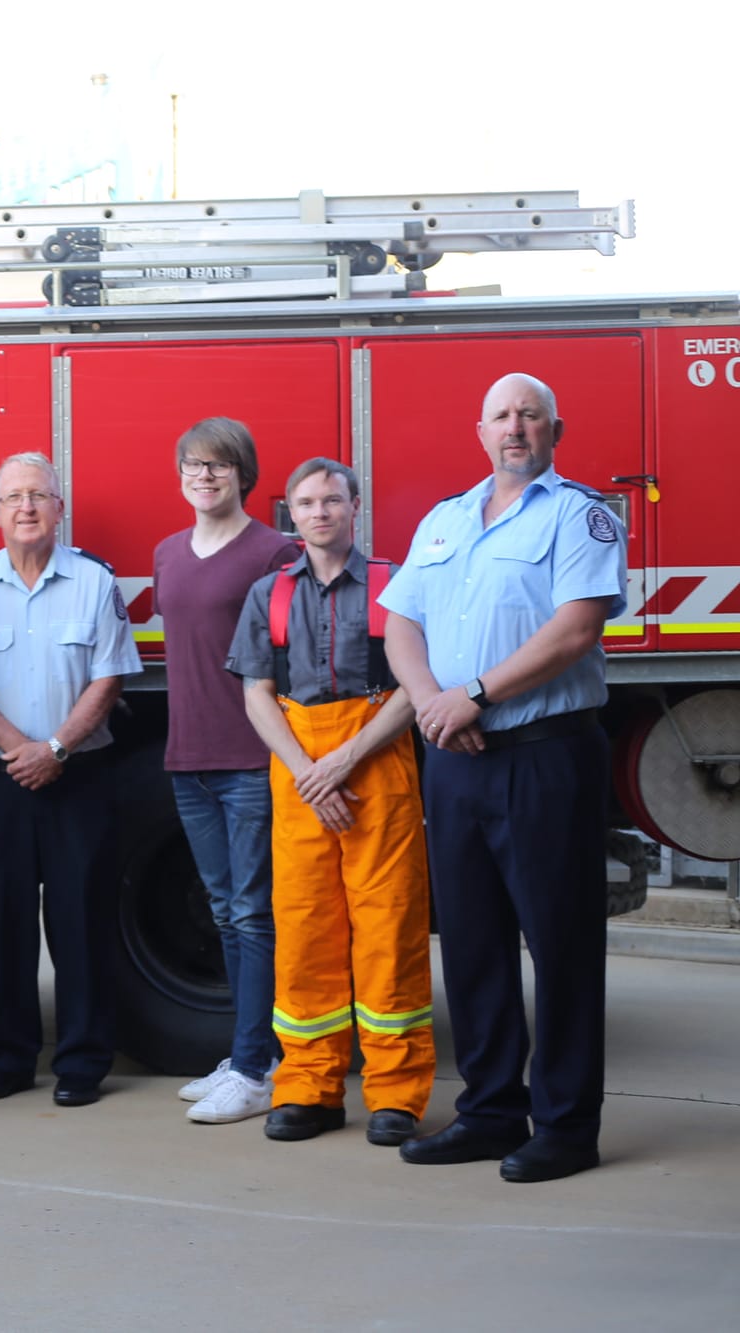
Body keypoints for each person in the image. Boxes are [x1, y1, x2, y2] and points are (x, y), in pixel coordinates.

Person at [381, 373, 627, 1183]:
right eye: (501, 415)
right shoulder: (445, 520)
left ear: (556, 427)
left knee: (559, 945)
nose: (514, 427)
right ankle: (490, 1111)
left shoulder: (578, 514)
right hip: (456, 756)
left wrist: (475, 694)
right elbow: (402, 622)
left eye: (529, 414)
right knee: (475, 943)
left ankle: (564, 1125)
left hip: (542, 754)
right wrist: (430, 704)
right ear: (479, 429)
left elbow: (575, 628)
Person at [226, 458, 432, 1146]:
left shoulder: (392, 585)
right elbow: (256, 691)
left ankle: (396, 1095)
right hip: (298, 768)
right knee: (306, 928)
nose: (319, 512)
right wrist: (307, 768)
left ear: (355, 505)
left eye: (332, 500)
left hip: (374, 765)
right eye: (307, 502)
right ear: (291, 511)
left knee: (389, 928)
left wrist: (344, 759)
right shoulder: (269, 594)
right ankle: (308, 1087)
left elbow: (414, 687)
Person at [0, 453, 141, 1109]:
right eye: (14, 497)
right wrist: (21, 751)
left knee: (81, 922)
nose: (27, 507)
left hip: (80, 776)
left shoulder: (93, 580)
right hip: (2, 780)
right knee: (4, 925)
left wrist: (56, 747)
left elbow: (111, 674)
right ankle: (8, 1058)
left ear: (59, 508)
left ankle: (84, 1061)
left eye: (39, 495)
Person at [152, 417, 299, 1125]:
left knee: (251, 911)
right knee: (223, 911)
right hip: (189, 758)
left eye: (218, 464)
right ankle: (248, 1049)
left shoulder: (275, 551)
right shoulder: (167, 553)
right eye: (192, 464)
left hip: (249, 758)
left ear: (244, 473)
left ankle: (254, 1065)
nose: (204, 475)